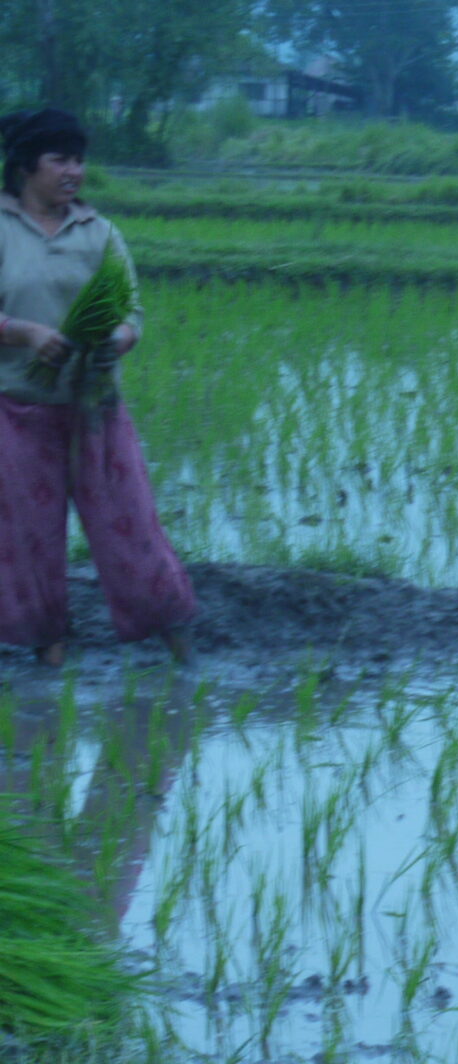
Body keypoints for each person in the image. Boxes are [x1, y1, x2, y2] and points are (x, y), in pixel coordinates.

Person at [0, 109, 196, 667]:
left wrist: (118, 338)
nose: (74, 171)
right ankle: (49, 657)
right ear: (23, 166)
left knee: (129, 524)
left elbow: (130, 310)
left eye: (79, 160)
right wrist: (25, 334)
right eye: (59, 159)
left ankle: (181, 645)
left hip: (94, 408)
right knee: (28, 540)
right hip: (18, 410)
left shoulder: (99, 233)